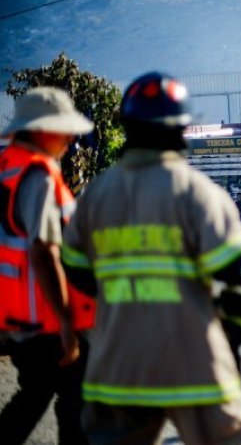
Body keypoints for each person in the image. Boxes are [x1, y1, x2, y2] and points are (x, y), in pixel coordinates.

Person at [60, 72, 241, 443]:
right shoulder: (196, 192)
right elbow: (239, 269)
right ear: (179, 129)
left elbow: (75, 271)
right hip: (194, 366)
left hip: (118, 369)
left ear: (127, 127)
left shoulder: (96, 195)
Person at [0, 87, 95, 444]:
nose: (71, 140)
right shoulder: (38, 176)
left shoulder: (8, 168)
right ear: (42, 130)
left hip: (20, 315)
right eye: (64, 130)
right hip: (47, 320)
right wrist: (68, 325)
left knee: (37, 395)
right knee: (73, 397)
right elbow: (43, 252)